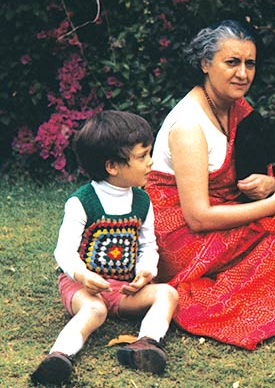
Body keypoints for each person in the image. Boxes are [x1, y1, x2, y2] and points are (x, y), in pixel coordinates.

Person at [144, 19, 275, 350]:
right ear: (205, 64)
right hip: (179, 235)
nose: (243, 74)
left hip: (221, 214)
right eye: (232, 62)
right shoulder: (188, 125)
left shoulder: (233, 107)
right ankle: (245, 293)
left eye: (249, 63)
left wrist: (270, 184)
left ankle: (264, 280)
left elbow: (252, 173)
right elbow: (198, 217)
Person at [31, 111, 178, 385]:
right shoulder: (82, 202)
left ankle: (146, 344)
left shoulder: (143, 202)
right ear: (113, 166)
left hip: (122, 289)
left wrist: (146, 272)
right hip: (81, 287)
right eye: (143, 155)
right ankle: (60, 357)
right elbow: (64, 252)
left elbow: (148, 244)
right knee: (95, 311)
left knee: (167, 293)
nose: (151, 161)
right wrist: (84, 276)